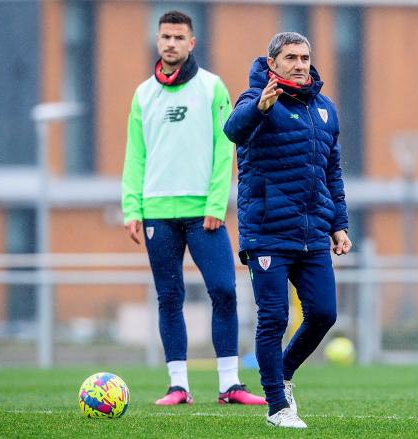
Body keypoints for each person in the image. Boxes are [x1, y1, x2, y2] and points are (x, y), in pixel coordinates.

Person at [121, 10, 265, 407]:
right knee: (169, 296)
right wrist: (131, 207)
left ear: (191, 43)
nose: (170, 43)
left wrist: (217, 202)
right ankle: (178, 386)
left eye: (178, 37)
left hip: (204, 212)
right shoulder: (142, 94)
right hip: (156, 212)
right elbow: (135, 156)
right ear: (158, 40)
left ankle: (230, 385)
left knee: (224, 290)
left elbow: (225, 148)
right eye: (164, 36)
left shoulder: (212, 88)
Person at [223, 32, 352, 428]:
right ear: (272, 62)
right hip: (267, 233)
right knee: (274, 318)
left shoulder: (324, 109)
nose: (299, 63)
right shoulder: (255, 99)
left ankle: (282, 374)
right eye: (291, 57)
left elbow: (332, 172)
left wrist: (339, 225)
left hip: (312, 233)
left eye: (304, 56)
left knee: (324, 314)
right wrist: (261, 108)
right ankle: (278, 407)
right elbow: (233, 130)